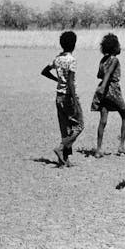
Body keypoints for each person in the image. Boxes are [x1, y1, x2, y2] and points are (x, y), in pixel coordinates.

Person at [40, 30, 84, 167]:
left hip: (59, 96)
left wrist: (57, 80)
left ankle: (64, 160)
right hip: (68, 97)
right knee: (79, 126)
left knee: (65, 128)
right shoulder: (72, 60)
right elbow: (70, 82)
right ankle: (61, 147)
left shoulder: (57, 59)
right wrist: (75, 101)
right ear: (74, 44)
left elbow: (44, 71)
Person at [90, 33, 125, 157]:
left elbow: (99, 75)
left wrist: (101, 87)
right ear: (114, 48)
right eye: (118, 45)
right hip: (112, 89)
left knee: (103, 120)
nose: (120, 47)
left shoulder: (103, 60)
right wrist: (105, 85)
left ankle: (98, 149)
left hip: (103, 90)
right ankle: (122, 146)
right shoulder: (114, 60)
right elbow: (108, 74)